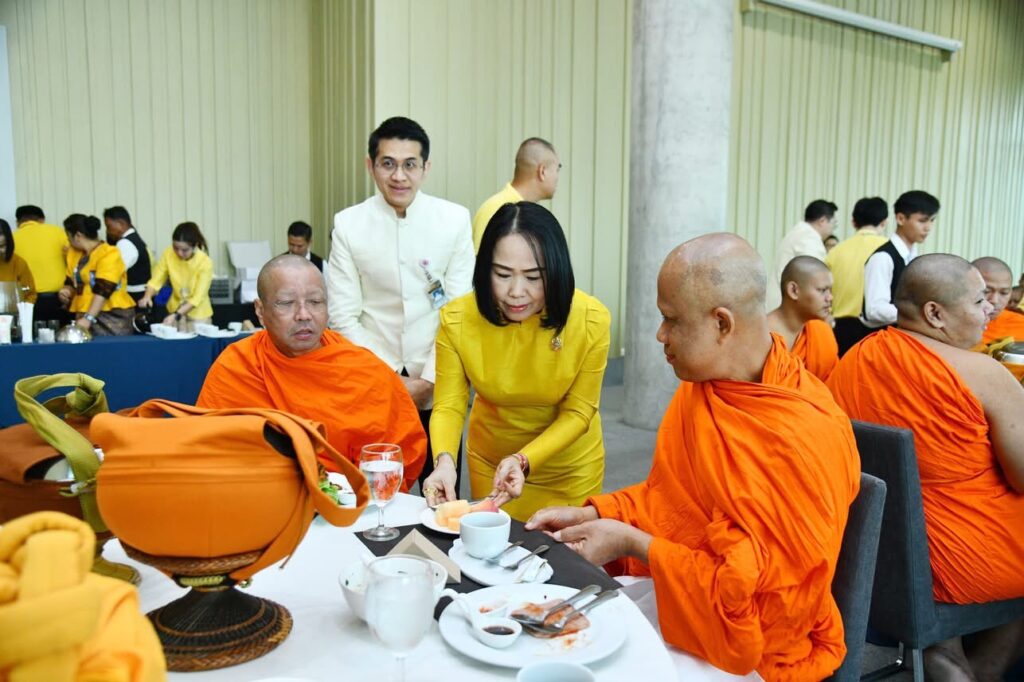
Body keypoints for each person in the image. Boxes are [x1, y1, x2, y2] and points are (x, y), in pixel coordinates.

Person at [528, 234, 860, 680]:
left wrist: (633, 542)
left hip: (755, 649)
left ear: (722, 324)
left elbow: (758, 603)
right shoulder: (705, 390)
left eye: (671, 319)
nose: (660, 335)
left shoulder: (802, 433)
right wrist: (594, 514)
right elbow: (669, 502)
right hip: (688, 600)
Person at [828, 254, 1024, 680]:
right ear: (935, 314)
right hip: (967, 562)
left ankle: (947, 652)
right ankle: (983, 670)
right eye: (979, 301)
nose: (991, 310)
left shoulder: (853, 361)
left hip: (875, 558)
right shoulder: (982, 373)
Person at [423, 202, 610, 521]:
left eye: (534, 277)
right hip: (494, 467)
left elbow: (579, 412)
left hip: (568, 471)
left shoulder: (590, 320)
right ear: (485, 270)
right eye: (503, 274)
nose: (516, 292)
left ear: (556, 272)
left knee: (564, 550)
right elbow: (449, 404)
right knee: (494, 546)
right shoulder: (457, 319)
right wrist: (444, 462)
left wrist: (523, 459)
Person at [327, 116, 475, 492]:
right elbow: (343, 315)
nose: (399, 176)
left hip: (439, 378)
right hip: (373, 380)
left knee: (440, 489)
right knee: (375, 489)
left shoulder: (454, 220)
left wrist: (428, 379)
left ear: (426, 167)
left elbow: (458, 311)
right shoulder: (348, 225)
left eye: (410, 164)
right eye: (388, 164)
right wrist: (392, 379)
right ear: (370, 165)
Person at [197, 255, 426, 488]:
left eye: (315, 302)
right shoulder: (238, 366)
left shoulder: (361, 367)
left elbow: (396, 454)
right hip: (262, 499)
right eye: (286, 303)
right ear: (260, 310)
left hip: (353, 503)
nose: (304, 315)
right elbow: (210, 450)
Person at [861, 190, 939, 331]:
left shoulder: (913, 257)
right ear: (901, 219)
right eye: (922, 221)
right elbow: (874, 310)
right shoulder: (883, 258)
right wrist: (918, 314)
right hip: (880, 336)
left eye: (932, 220)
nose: (928, 227)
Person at [471, 138, 561, 250]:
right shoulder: (495, 210)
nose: (557, 177)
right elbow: (482, 259)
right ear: (542, 171)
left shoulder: (531, 213)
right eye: (557, 169)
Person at [826, 197, 889, 354]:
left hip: (840, 330)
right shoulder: (890, 251)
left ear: (853, 222)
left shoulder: (835, 252)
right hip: (878, 331)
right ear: (884, 222)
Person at [57, 214, 136, 335]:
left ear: (78, 236)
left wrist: (88, 318)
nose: (68, 241)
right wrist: (67, 291)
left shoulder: (109, 253)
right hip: (83, 314)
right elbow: (70, 281)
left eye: (68, 236)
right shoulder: (74, 254)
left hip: (111, 316)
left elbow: (104, 289)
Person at [767, 256, 838, 381]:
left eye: (830, 290)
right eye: (822, 290)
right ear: (793, 290)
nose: (830, 298)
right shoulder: (763, 334)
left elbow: (832, 382)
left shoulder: (821, 332)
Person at [137, 222, 214, 331]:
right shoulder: (168, 253)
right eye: (175, 248)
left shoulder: (205, 262)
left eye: (184, 250)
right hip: (174, 309)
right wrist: (147, 296)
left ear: (195, 246)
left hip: (199, 314)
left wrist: (176, 315)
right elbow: (156, 280)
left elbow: (197, 298)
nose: (179, 253)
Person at [770, 199, 837, 309]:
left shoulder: (798, 233)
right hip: (789, 307)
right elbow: (815, 278)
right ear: (822, 221)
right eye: (833, 225)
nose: (832, 231)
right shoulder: (808, 239)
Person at [12, 205, 69, 323]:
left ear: (18, 222)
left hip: (27, 300)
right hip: (59, 298)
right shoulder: (58, 232)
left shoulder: (12, 238)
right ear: (42, 220)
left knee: (30, 332)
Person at [103, 206, 152, 302]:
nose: (107, 231)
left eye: (108, 226)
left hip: (135, 297)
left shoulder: (125, 243)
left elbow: (113, 272)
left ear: (121, 224)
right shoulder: (134, 238)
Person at [972, 257, 1024, 346]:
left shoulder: (1020, 324)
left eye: (1004, 293)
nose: (994, 300)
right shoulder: (949, 322)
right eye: (986, 291)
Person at [0, 218, 36, 303]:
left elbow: (30, 294)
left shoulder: (19, 262)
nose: (1, 251)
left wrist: (23, 309)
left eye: (3, 246)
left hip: (13, 309)